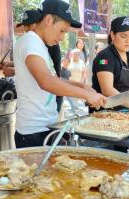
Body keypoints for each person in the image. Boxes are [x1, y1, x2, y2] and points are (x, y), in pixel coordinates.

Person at [13, 0, 106, 148]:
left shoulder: (39, 44)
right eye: (62, 30)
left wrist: (82, 86)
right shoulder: (30, 41)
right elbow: (46, 81)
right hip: (33, 132)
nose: (62, 37)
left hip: (46, 127)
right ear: (48, 20)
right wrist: (86, 95)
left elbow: (54, 79)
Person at [91, 16, 129, 113]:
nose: (128, 40)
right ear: (113, 35)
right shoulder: (105, 56)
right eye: (123, 36)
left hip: (126, 111)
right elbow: (107, 90)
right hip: (105, 112)